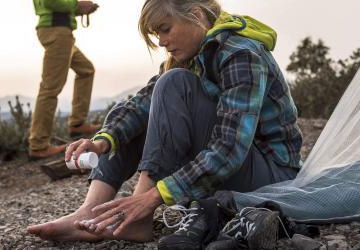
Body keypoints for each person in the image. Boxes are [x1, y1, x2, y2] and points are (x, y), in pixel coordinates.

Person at [27, 0, 302, 242]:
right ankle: (90, 211)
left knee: (173, 84)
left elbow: (229, 149)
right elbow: (141, 104)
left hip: (270, 172)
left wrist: (153, 197)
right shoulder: (189, 54)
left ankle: (137, 219)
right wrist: (102, 141)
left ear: (195, 14)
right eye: (156, 33)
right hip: (237, 166)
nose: (161, 41)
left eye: (165, 29)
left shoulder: (241, 52)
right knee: (151, 103)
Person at [29, 0, 101, 159]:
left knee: (86, 70)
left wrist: (78, 9)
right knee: (50, 88)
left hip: (61, 31)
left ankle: (77, 123)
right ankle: (38, 145)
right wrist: (77, 5)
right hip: (57, 31)